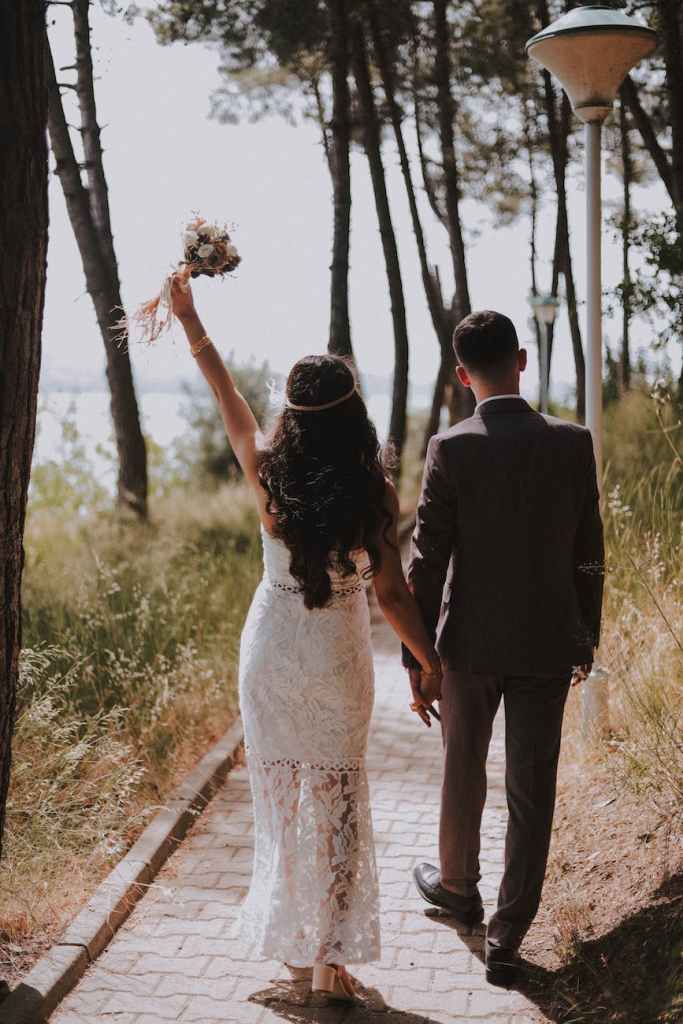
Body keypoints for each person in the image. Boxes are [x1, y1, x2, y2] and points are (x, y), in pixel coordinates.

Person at [170, 272, 442, 1001]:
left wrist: (190, 317)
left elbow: (224, 392)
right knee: (338, 803)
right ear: (352, 415)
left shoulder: (266, 470)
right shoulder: (374, 489)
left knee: (283, 801)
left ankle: (296, 947)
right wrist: (429, 661)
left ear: (291, 416)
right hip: (336, 658)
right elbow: (392, 595)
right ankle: (326, 961)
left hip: (271, 653)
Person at [404, 310, 604, 988]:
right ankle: (508, 935)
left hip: (466, 645)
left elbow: (426, 563)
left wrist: (418, 657)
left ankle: (458, 888)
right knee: (531, 785)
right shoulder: (572, 442)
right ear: (520, 360)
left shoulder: (450, 447)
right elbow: (589, 550)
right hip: (547, 641)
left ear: (462, 376)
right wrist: (585, 635)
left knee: (462, 766)